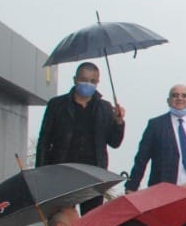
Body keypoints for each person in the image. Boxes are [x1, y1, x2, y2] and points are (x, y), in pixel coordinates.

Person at [35, 63, 126, 209]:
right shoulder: (57, 105)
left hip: (94, 175)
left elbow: (114, 142)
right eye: (84, 79)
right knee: (62, 218)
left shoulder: (105, 107)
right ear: (75, 79)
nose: (88, 84)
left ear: (97, 83)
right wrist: (41, 173)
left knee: (91, 221)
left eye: (92, 81)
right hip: (63, 171)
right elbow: (44, 141)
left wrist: (119, 122)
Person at [127, 84, 186, 195]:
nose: (180, 98)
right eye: (175, 95)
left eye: (184, 96)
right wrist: (132, 185)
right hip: (164, 190)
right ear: (168, 101)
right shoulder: (156, 125)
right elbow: (141, 158)